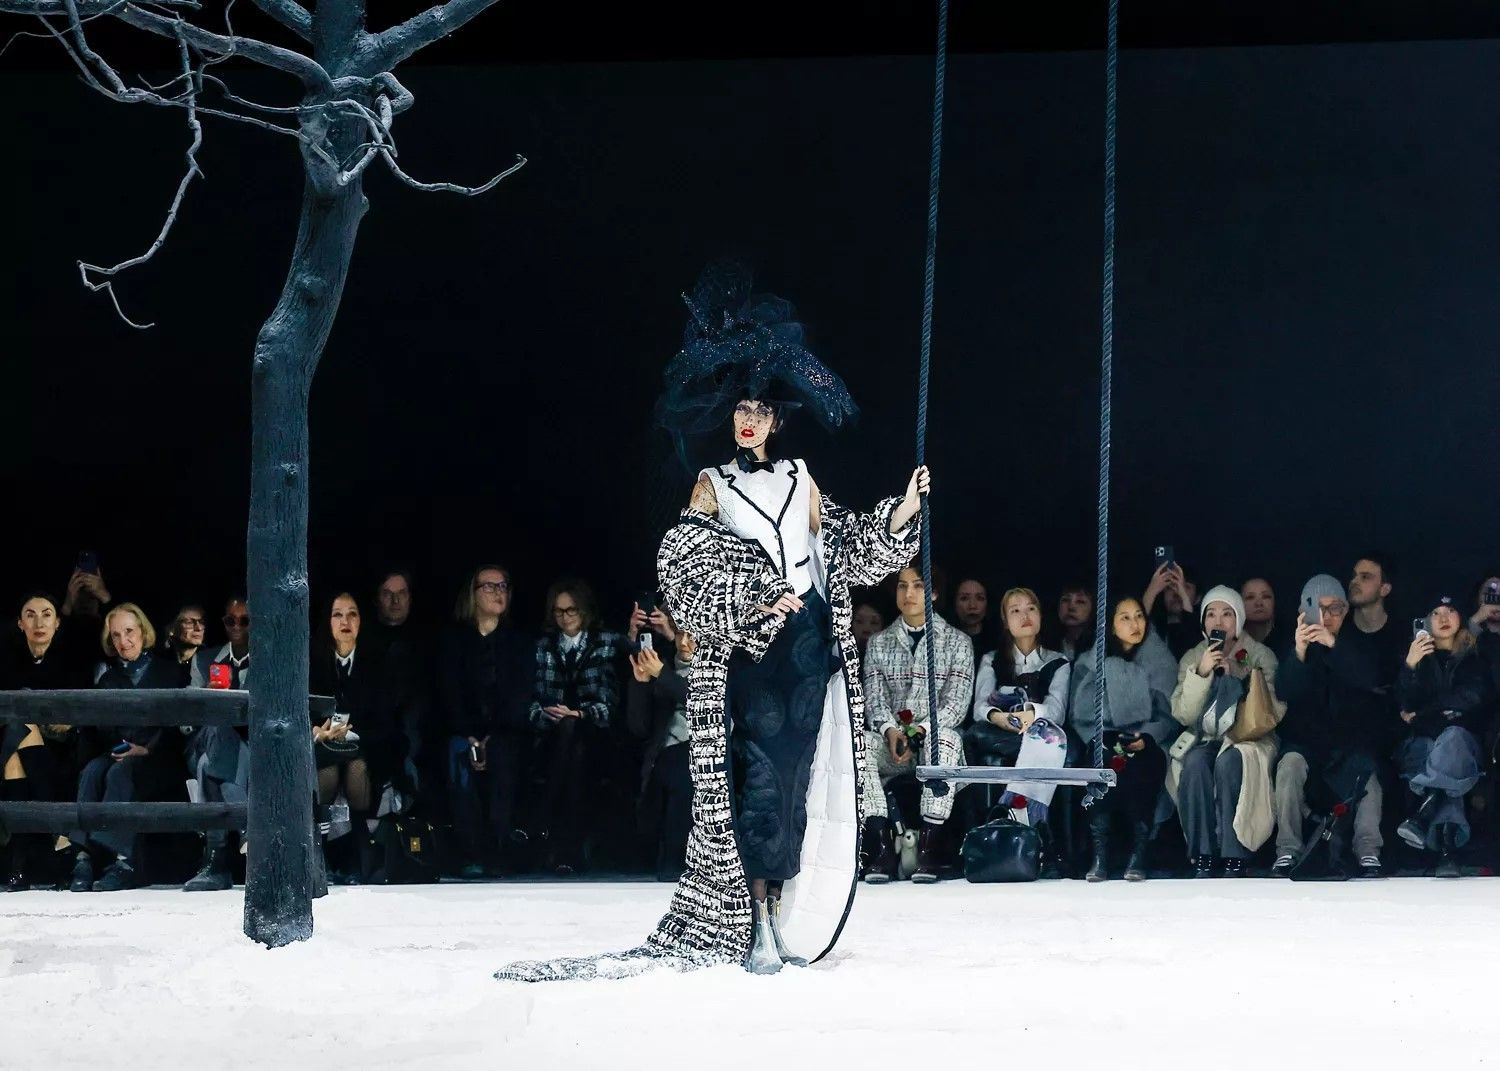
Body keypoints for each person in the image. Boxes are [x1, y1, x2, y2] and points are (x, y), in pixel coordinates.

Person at [495, 264, 923, 981]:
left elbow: (846, 544)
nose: (748, 418)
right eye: (740, 408)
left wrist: (902, 509)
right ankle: (753, 917)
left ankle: (778, 913)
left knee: (795, 779)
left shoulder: (801, 477)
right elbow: (684, 561)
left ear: (777, 419)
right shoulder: (712, 484)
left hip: (809, 646)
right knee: (754, 780)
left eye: (760, 408)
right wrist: (754, 596)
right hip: (753, 651)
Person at [858, 566, 973, 883]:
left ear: (933, 593)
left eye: (919, 586)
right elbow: (874, 698)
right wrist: (890, 730)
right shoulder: (880, 642)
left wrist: (918, 732)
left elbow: (956, 705)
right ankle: (880, 847)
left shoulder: (957, 641)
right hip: (893, 743)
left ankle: (929, 848)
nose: (909, 594)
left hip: (933, 737)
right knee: (860, 744)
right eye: (902, 586)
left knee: (946, 739)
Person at [1271, 575, 1386, 878]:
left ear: (1345, 611)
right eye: (1318, 609)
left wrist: (1333, 645)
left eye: (1335, 608)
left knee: (1368, 777)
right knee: (1289, 767)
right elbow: (1284, 691)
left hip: (1348, 745)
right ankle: (1288, 850)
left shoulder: (1358, 644)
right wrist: (1300, 651)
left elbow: (1368, 679)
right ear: (1303, 612)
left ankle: (1368, 850)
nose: (1326, 617)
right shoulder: (1291, 646)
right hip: (1305, 745)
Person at [1167, 585, 1284, 877]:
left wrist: (1239, 677)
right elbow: (1183, 714)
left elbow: (1272, 711)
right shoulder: (1193, 656)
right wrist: (1201, 674)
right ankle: (1202, 854)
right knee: (1195, 763)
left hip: (1249, 738)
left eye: (1227, 614)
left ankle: (1236, 854)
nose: (1218, 622)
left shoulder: (1260, 655)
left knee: (1229, 762)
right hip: (1207, 737)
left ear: (1239, 620)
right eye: (1211, 614)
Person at [71, 603, 185, 892]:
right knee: (92, 770)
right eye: (116, 635)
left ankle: (125, 863)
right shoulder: (108, 679)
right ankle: (83, 857)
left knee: (119, 774)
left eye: (129, 631)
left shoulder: (169, 672)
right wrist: (116, 745)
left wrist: (146, 750)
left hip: (159, 758)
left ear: (143, 632)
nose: (124, 641)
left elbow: (178, 728)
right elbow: (99, 729)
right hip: (120, 752)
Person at [310, 592, 419, 883]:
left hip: (370, 745)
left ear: (362, 620)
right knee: (328, 769)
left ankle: (358, 855)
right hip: (323, 748)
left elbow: (387, 721)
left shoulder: (379, 661)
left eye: (352, 614)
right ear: (327, 621)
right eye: (337, 614)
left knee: (357, 768)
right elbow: (303, 713)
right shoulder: (313, 662)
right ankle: (322, 853)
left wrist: (351, 733)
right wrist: (317, 732)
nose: (345, 621)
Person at [1070, 595, 1178, 882]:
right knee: (1102, 761)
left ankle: (1139, 854)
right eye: (1125, 617)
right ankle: (1100, 855)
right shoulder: (1092, 662)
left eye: (1139, 616)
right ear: (1111, 624)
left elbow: (1170, 716)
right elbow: (1081, 714)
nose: (1134, 624)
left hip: (1149, 740)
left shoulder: (1161, 660)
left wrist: (1148, 736)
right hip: (1104, 738)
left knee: (1144, 762)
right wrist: (1104, 735)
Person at [964, 587, 1072, 872]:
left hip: (1039, 730)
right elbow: (979, 706)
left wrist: (1031, 714)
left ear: (1041, 615)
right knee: (975, 738)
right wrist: (999, 717)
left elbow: (1057, 709)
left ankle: (1029, 823)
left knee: (1050, 739)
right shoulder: (991, 659)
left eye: (1031, 608)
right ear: (1004, 620)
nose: (1025, 615)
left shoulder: (1058, 662)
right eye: (1015, 610)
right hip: (1001, 733)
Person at [437, 565, 534, 876]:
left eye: (503, 586)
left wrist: (492, 736)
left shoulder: (519, 642)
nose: (498, 592)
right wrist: (469, 735)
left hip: (505, 730)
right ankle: (470, 852)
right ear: (473, 594)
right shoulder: (453, 640)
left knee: (504, 756)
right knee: (458, 755)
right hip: (463, 730)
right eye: (490, 586)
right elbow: (449, 693)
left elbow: (521, 694)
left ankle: (499, 850)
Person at [528, 578, 625, 876]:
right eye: (558, 611)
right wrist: (547, 715)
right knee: (569, 742)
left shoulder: (606, 642)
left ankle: (548, 827)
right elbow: (530, 701)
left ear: (584, 610)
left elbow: (611, 703)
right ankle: (568, 849)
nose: (565, 617)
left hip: (596, 735)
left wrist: (579, 714)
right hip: (549, 736)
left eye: (571, 610)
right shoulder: (543, 646)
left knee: (575, 741)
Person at [1394, 595, 1494, 877]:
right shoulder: (1416, 657)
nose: (1444, 618)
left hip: (1465, 744)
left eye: (1450, 610)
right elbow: (1402, 705)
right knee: (1448, 761)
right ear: (1425, 621)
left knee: (1453, 741)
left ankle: (1424, 814)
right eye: (1435, 612)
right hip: (1422, 745)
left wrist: (1424, 714)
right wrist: (1410, 666)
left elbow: (1472, 699)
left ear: (1461, 617)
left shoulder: (1474, 656)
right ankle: (1447, 849)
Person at [1, 592, 88, 891]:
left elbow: (80, 713)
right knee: (18, 736)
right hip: (17, 741)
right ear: (20, 623)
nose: (39, 622)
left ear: (57, 622)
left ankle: (18, 864)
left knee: (16, 747)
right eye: (31, 615)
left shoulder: (72, 660)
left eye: (46, 614)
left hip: (65, 744)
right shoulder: (8, 661)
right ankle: (58, 836)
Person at [626, 620, 695, 882]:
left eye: (692, 636)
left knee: (682, 765)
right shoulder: (662, 667)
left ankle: (675, 860)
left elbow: (705, 704)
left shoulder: (719, 668)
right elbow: (639, 727)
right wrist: (641, 684)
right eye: (680, 634)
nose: (685, 642)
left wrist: (663, 674)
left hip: (708, 752)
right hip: (665, 754)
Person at [1143, 560, 1200, 658]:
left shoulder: (1203, 631)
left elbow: (1191, 637)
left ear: (1198, 598)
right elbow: (1137, 624)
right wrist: (1152, 590)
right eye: (1169, 588)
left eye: (1185, 587)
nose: (1176, 592)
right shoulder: (1154, 629)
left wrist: (1184, 596)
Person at [191, 597, 250, 689]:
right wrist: (208, 693)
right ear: (224, 622)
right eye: (230, 621)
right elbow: (194, 698)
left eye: (244, 621)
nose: (237, 627)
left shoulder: (268, 662)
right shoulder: (201, 660)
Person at [951, 576, 998, 672]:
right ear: (954, 603)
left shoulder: (999, 643)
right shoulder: (942, 641)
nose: (972, 606)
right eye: (964, 598)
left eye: (980, 598)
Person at [161, 604, 206, 678]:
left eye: (201, 622)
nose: (199, 628)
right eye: (189, 622)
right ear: (171, 629)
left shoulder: (210, 660)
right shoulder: (160, 660)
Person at [1055, 582, 1094, 660]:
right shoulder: (1044, 645)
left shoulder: (1101, 647)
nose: (1071, 607)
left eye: (1080, 601)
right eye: (1066, 600)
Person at [1240, 577, 1276, 646]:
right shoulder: (1230, 639)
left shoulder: (1292, 639)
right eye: (1250, 597)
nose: (1259, 603)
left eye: (1265, 596)